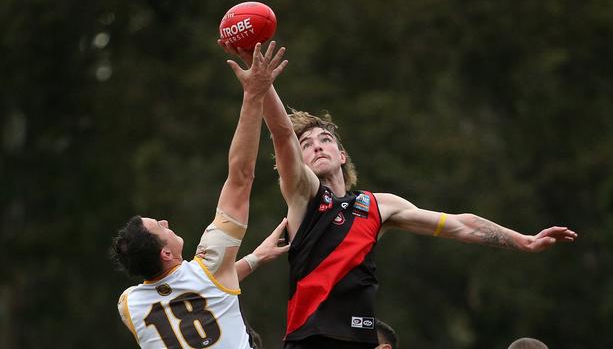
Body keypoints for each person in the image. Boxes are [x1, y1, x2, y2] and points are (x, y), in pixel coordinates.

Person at [220, 43, 577, 349]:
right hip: (310, 338)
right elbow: (282, 135)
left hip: (361, 338)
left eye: (325, 139)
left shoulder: (380, 205)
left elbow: (459, 225)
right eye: (307, 145)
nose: (316, 147)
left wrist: (524, 241)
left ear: (343, 155)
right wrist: (263, 88)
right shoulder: (304, 195)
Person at [111, 42, 288, 349]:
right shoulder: (210, 267)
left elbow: (202, 291)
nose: (166, 221)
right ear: (166, 254)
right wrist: (253, 94)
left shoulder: (129, 305)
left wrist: (256, 258)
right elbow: (240, 178)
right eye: (159, 226)